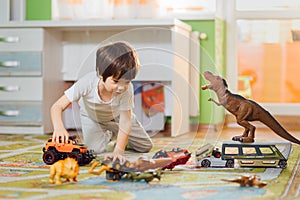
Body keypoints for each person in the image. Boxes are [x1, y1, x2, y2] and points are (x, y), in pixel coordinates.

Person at [50, 41, 153, 161]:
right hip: (92, 118)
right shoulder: (86, 83)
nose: (121, 87)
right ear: (100, 73)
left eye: (126, 81)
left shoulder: (126, 89)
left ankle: (117, 135)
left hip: (118, 117)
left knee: (146, 146)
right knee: (95, 151)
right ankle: (109, 134)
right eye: (115, 81)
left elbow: (125, 121)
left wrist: (118, 151)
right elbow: (57, 106)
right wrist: (59, 128)